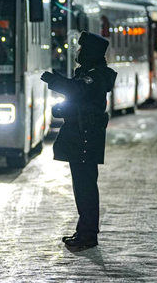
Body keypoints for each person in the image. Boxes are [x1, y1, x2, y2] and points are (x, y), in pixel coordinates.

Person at [40, 31, 117, 250]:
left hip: (86, 137)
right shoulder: (89, 73)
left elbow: (80, 90)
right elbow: (78, 98)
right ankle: (83, 231)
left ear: (91, 52)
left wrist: (57, 82)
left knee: (85, 188)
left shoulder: (96, 75)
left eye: (83, 49)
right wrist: (63, 108)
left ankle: (88, 235)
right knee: (82, 187)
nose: (79, 53)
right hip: (82, 136)